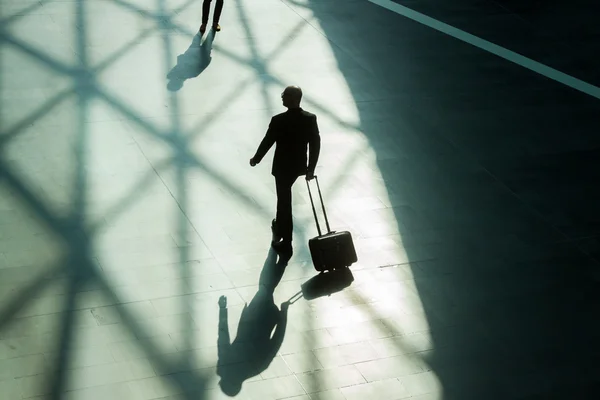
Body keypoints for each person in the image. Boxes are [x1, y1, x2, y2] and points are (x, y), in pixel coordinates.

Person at [250, 86, 321, 255]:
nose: (282, 97)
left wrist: (256, 159)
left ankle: (286, 241)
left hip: (282, 168)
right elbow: (315, 144)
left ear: (293, 98)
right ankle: (279, 226)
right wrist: (311, 168)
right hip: (298, 165)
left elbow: (268, 141)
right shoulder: (310, 119)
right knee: (283, 203)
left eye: (285, 95)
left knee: (284, 203)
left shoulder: (278, 120)